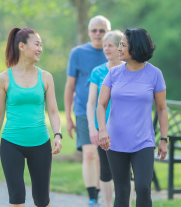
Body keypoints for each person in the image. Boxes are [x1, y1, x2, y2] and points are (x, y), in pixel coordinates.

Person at [0, 27, 62, 207]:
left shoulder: (46, 77)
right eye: (36, 44)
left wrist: (58, 134)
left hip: (40, 143)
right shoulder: (4, 78)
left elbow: (53, 111)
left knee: (42, 200)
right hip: (12, 143)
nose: (40, 49)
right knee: (17, 196)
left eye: (41, 45)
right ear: (22, 46)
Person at [97, 28, 168, 207]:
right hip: (115, 142)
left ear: (136, 48)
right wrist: (103, 131)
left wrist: (164, 139)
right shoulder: (113, 73)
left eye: (123, 45)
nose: (119, 49)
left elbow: (161, 108)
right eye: (119, 44)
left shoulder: (155, 74)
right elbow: (101, 105)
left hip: (143, 141)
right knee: (121, 192)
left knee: (143, 188)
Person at [65, 15, 111, 206]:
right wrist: (68, 117)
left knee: (104, 154)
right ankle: (92, 197)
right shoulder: (77, 53)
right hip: (84, 110)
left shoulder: (115, 52)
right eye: (94, 30)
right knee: (90, 153)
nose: (98, 34)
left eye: (102, 30)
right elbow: (69, 86)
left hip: (109, 112)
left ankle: (102, 193)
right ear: (89, 32)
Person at [87, 30, 135, 207]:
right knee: (106, 171)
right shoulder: (97, 72)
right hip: (104, 129)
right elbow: (91, 102)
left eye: (110, 45)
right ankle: (107, 205)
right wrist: (94, 128)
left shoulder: (131, 69)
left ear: (120, 47)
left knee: (126, 171)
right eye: (104, 45)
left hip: (126, 129)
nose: (106, 48)